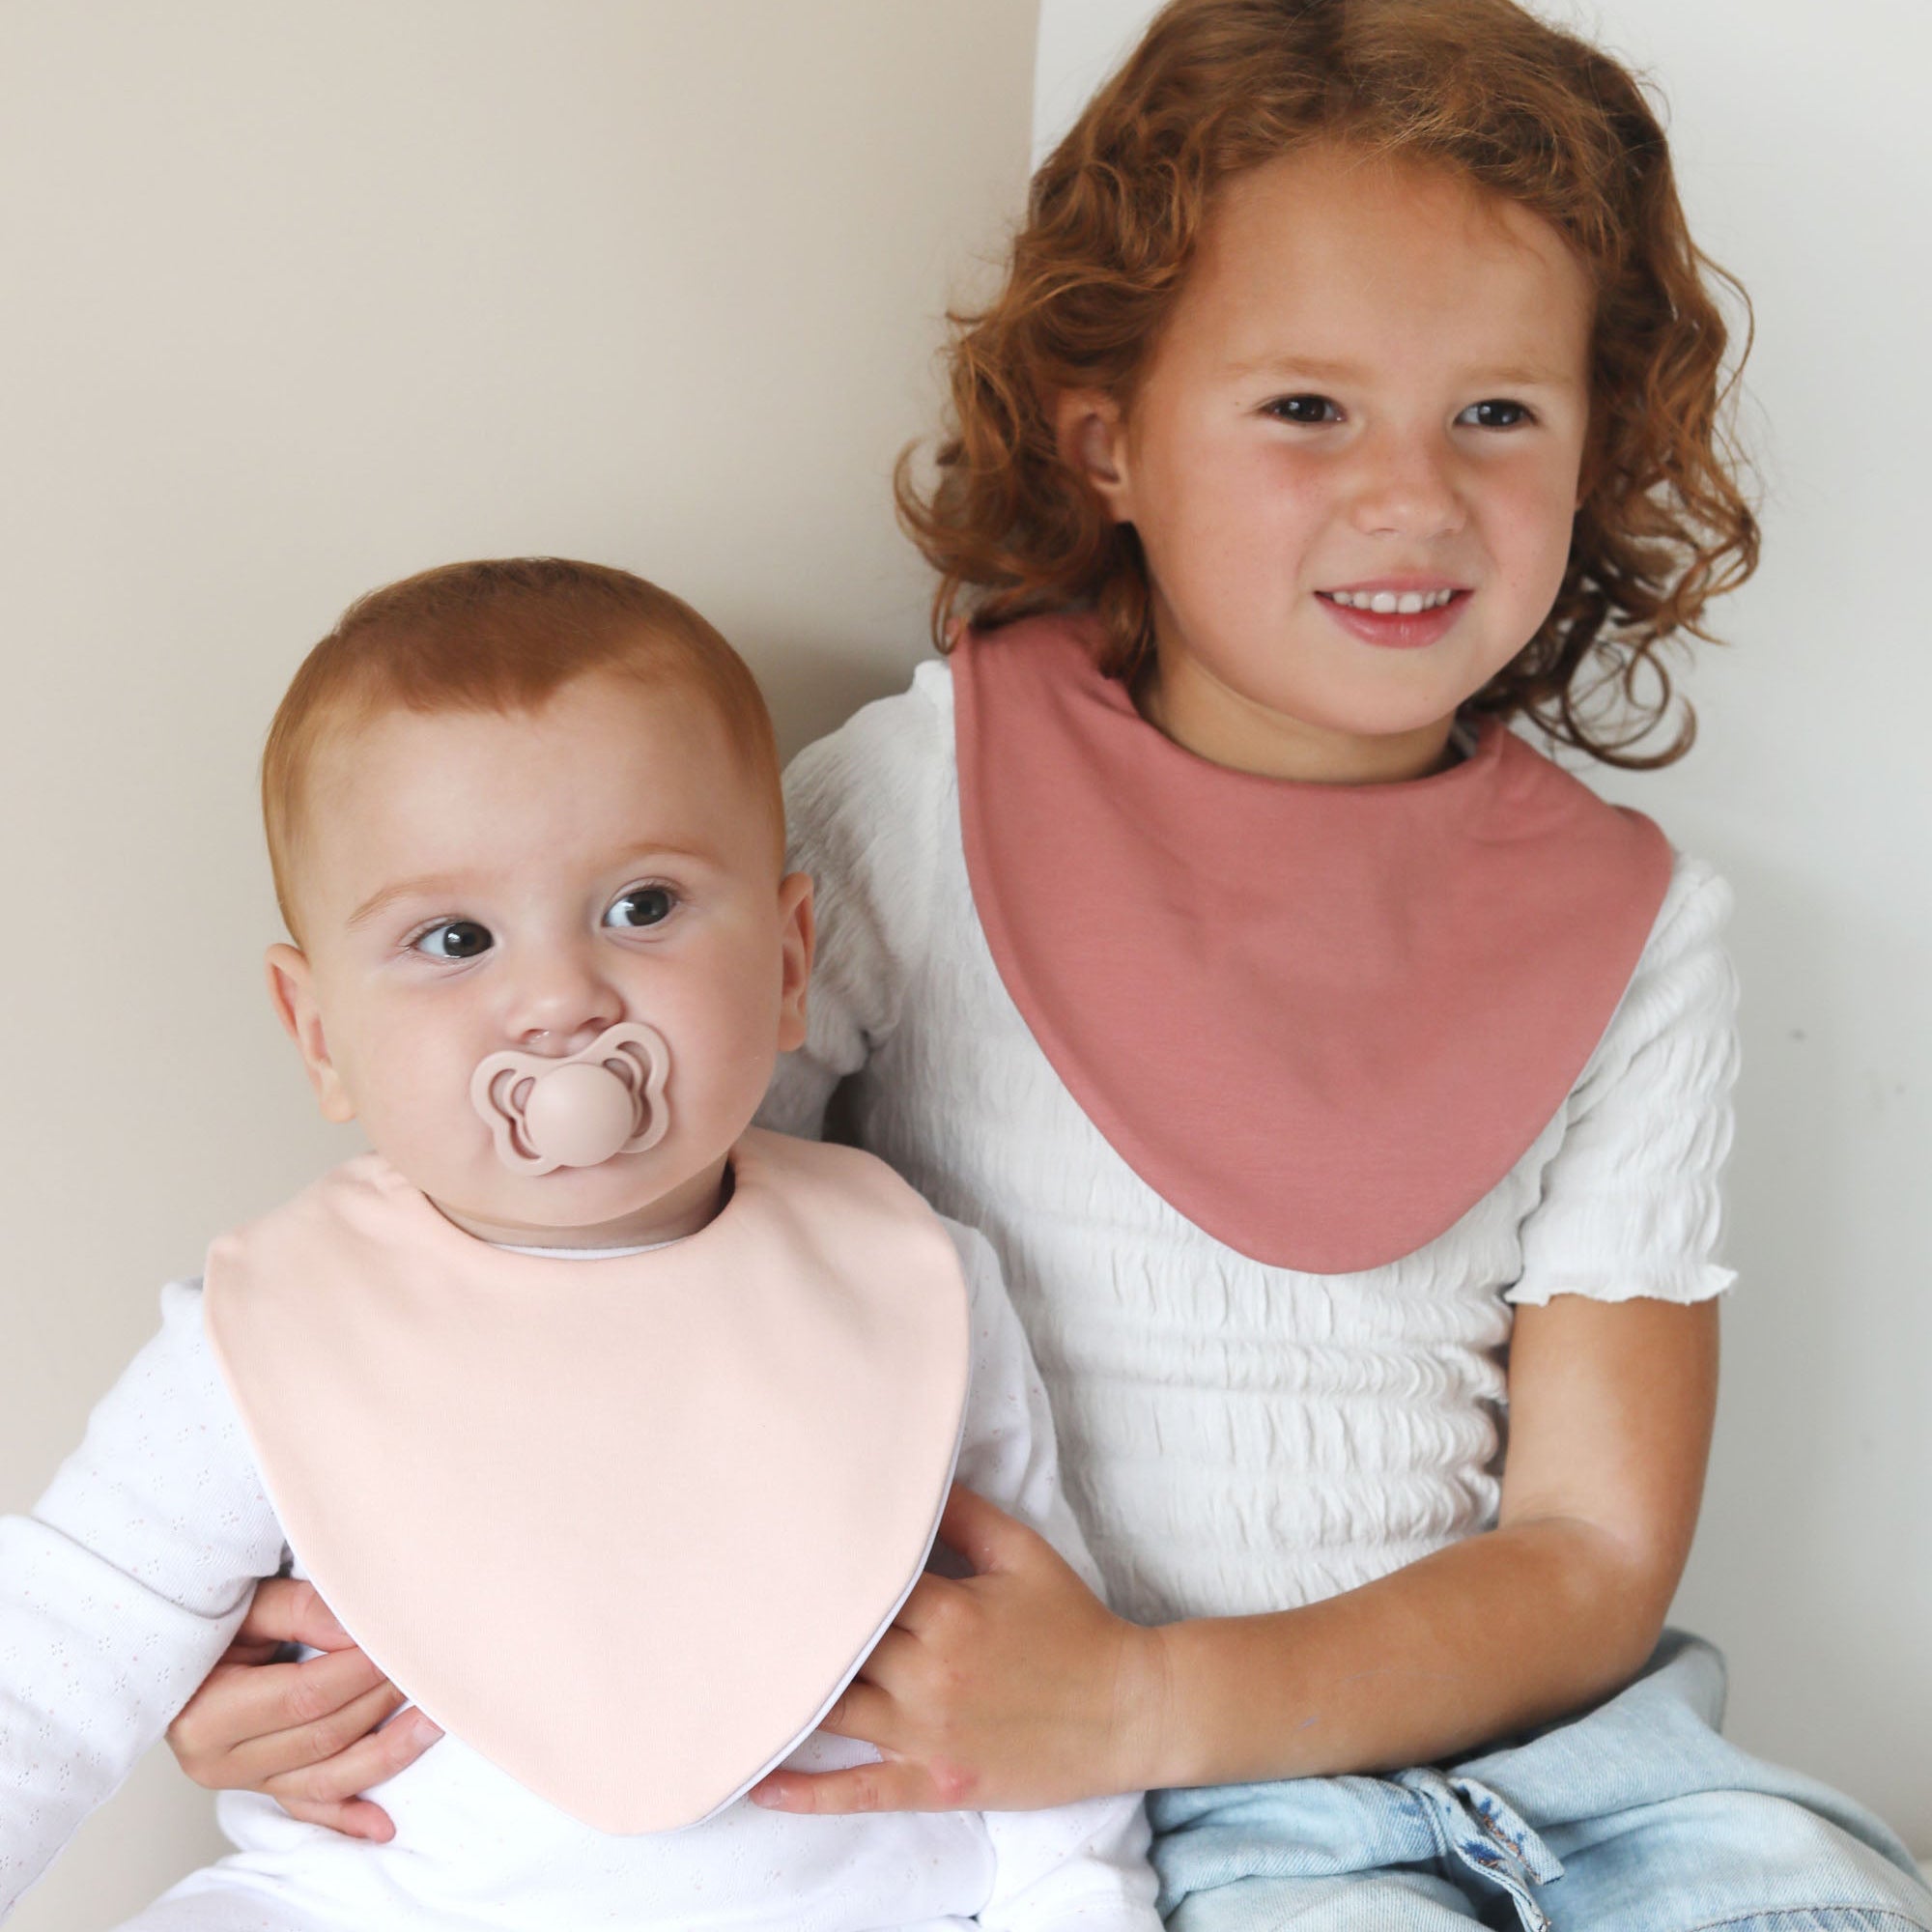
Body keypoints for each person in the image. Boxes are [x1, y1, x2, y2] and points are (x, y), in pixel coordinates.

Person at [159, 2, 1932, 1926]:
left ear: (1596, 440)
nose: (1414, 497)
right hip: (1168, 1826)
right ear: (1107, 437)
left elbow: (1590, 1555)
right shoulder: (914, 810)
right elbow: (583, 1263)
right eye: (1306, 407)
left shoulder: (1642, 925)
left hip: (1590, 1765)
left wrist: (1148, 1696)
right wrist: (329, 1616)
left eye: (1497, 412)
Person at [0, 559, 1161, 1931]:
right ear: (319, 1034)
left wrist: (1074, 1905)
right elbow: (55, 1656)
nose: (559, 1000)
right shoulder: (268, 1333)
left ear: (790, 962)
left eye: (642, 907)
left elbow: (1044, 1670)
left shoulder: (911, 1281)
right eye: (455, 938)